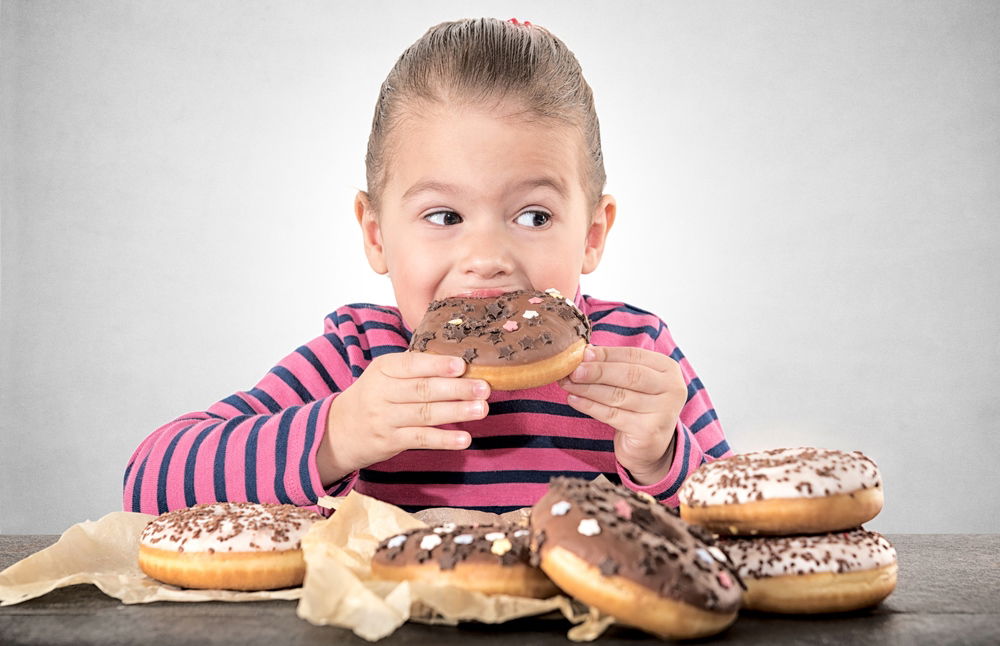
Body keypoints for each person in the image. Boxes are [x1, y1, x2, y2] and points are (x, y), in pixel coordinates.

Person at [124, 17, 732, 516]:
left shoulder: (635, 356)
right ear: (377, 234)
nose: (486, 259)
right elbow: (149, 481)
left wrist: (661, 458)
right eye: (444, 216)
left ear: (592, 234)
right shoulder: (358, 360)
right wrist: (338, 435)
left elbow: (746, 520)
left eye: (534, 216)